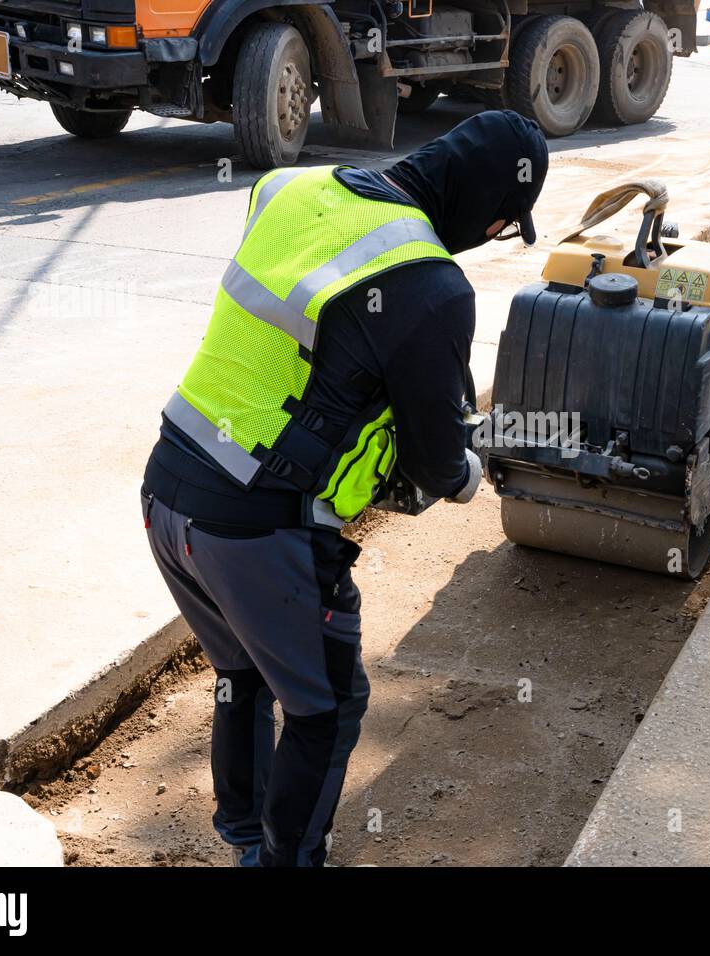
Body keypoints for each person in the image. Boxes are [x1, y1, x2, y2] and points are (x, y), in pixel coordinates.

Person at [140, 110, 549, 867]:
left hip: (167, 492)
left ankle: (243, 838)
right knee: (327, 707)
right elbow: (435, 461)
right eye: (499, 222)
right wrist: (467, 475)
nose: (490, 233)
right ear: (482, 199)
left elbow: (312, 339)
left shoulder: (289, 187)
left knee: (243, 673)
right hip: (257, 532)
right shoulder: (431, 284)